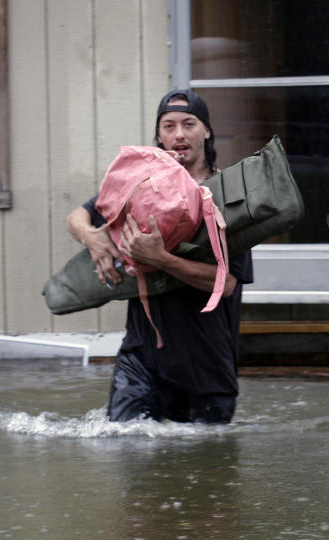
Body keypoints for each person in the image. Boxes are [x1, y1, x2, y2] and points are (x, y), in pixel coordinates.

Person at [66, 89, 253, 424]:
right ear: (159, 135)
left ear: (207, 131)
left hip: (206, 367)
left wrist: (162, 258)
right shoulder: (140, 187)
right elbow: (77, 217)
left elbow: (226, 285)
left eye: (189, 124)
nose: (178, 134)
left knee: (205, 468)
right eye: (168, 126)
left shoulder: (228, 198)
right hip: (141, 359)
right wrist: (93, 239)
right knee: (124, 450)